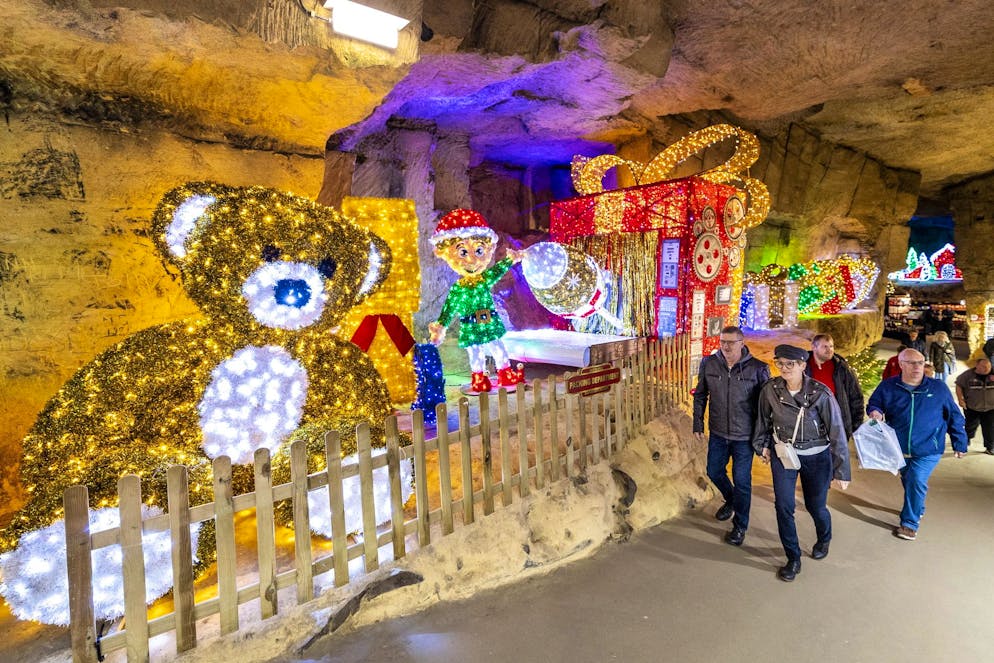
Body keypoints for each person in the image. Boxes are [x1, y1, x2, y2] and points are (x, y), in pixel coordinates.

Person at [753, 344, 850, 582]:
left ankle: (824, 538)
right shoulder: (771, 389)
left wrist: (842, 471)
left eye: (790, 364)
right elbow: (763, 419)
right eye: (780, 363)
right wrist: (762, 445)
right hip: (783, 454)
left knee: (815, 506)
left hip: (816, 456)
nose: (784, 368)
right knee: (783, 506)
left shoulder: (820, 393)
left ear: (802, 365)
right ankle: (792, 557)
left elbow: (837, 431)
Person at [866, 348, 967, 541]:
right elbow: (874, 403)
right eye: (911, 363)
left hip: (929, 447)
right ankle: (918, 506)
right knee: (909, 480)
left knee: (915, 479)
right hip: (899, 447)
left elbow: (954, 414)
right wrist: (875, 411)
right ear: (901, 364)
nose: (917, 367)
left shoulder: (938, 388)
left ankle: (909, 523)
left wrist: (959, 441)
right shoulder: (888, 386)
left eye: (920, 362)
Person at [428, 209, 525, 393]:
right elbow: (448, 310)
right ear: (448, 254)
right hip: (470, 327)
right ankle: (479, 378)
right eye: (463, 252)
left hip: (487, 321)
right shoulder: (459, 289)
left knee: (497, 347)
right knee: (475, 353)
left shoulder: (483, 279)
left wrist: (510, 260)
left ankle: (505, 374)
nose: (472, 259)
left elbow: (497, 271)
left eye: (479, 250)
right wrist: (440, 327)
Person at [692, 326, 770, 546]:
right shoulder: (709, 363)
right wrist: (698, 422)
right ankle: (732, 500)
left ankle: (740, 526)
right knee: (714, 471)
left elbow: (766, 408)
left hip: (744, 437)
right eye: (723, 341)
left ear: (742, 343)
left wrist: (764, 440)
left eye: (731, 342)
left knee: (742, 481)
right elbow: (700, 395)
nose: (726, 346)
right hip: (718, 432)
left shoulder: (758, 368)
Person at [805, 333, 864, 438]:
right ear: (813, 347)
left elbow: (856, 397)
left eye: (831, 346)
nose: (829, 350)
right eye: (825, 347)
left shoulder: (842, 368)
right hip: (810, 425)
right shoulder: (803, 367)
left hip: (838, 425)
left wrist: (855, 426)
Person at [954, 357, 994, 455]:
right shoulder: (968, 375)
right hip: (972, 407)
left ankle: (990, 447)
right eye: (984, 367)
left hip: (991, 408)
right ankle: (965, 442)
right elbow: (959, 385)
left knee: (990, 428)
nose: (987, 369)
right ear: (977, 366)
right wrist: (960, 399)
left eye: (988, 367)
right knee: (970, 427)